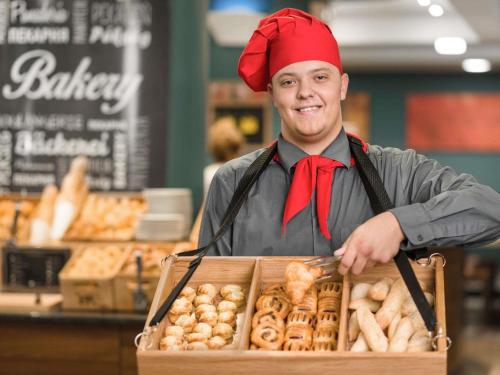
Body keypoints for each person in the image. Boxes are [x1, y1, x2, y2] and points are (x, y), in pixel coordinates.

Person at [199, 8, 500, 276]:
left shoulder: (400, 171)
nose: (305, 92)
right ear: (272, 93)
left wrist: (398, 224)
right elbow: (207, 293)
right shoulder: (232, 182)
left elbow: (490, 210)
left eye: (320, 77)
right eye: (289, 81)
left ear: (342, 86)